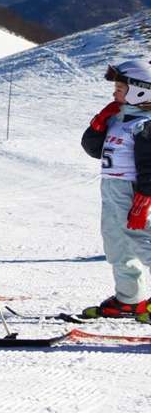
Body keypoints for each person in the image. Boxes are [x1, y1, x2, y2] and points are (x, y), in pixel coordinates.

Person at [79, 60, 151, 321]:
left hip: (136, 192)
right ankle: (129, 299)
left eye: (120, 87)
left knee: (143, 239)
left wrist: (144, 198)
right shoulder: (119, 118)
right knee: (117, 245)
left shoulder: (145, 123)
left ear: (141, 90)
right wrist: (99, 123)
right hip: (112, 189)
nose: (114, 92)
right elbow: (93, 149)